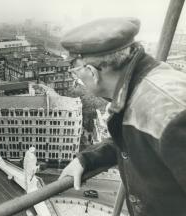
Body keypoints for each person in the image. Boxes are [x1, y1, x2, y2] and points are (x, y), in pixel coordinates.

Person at [58, 17, 186, 216]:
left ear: (91, 72)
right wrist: (86, 159)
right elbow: (138, 138)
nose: (77, 79)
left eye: (75, 72)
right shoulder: (145, 83)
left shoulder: (167, 113)